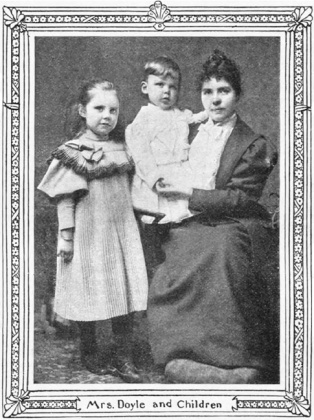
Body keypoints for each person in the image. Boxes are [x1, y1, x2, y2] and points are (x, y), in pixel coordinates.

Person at [147, 50, 279, 384]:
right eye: (208, 92)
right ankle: (183, 353)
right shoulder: (188, 131)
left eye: (224, 91)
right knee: (181, 245)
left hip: (236, 220)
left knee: (221, 249)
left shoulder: (253, 143)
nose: (216, 100)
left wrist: (189, 194)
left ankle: (234, 357)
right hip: (191, 217)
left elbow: (241, 197)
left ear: (238, 95)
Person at [38, 79, 148, 383]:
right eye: (99, 108)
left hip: (121, 233)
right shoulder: (73, 151)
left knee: (122, 293)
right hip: (88, 236)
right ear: (82, 110)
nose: (106, 115)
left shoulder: (122, 149)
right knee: (89, 291)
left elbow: (133, 191)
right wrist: (67, 236)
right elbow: (65, 199)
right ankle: (90, 352)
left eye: (113, 109)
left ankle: (123, 358)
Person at [126, 56, 208, 225]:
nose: (166, 91)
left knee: (183, 216)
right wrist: (154, 178)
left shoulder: (180, 115)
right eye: (160, 84)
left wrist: (209, 112)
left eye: (173, 87)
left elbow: (194, 119)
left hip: (179, 172)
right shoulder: (142, 121)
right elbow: (142, 156)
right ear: (145, 87)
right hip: (156, 176)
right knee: (159, 216)